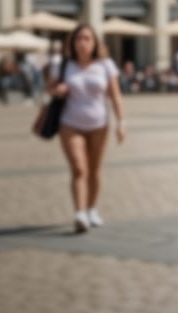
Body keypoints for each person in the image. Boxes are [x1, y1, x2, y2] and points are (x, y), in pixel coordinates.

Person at [52, 22, 125, 233]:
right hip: (70, 124)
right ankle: (80, 213)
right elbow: (49, 86)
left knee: (94, 170)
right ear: (72, 42)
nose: (82, 43)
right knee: (79, 168)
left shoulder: (105, 65)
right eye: (78, 39)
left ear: (95, 43)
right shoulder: (63, 64)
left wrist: (121, 123)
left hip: (99, 125)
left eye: (87, 39)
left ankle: (92, 209)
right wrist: (57, 89)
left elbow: (115, 95)